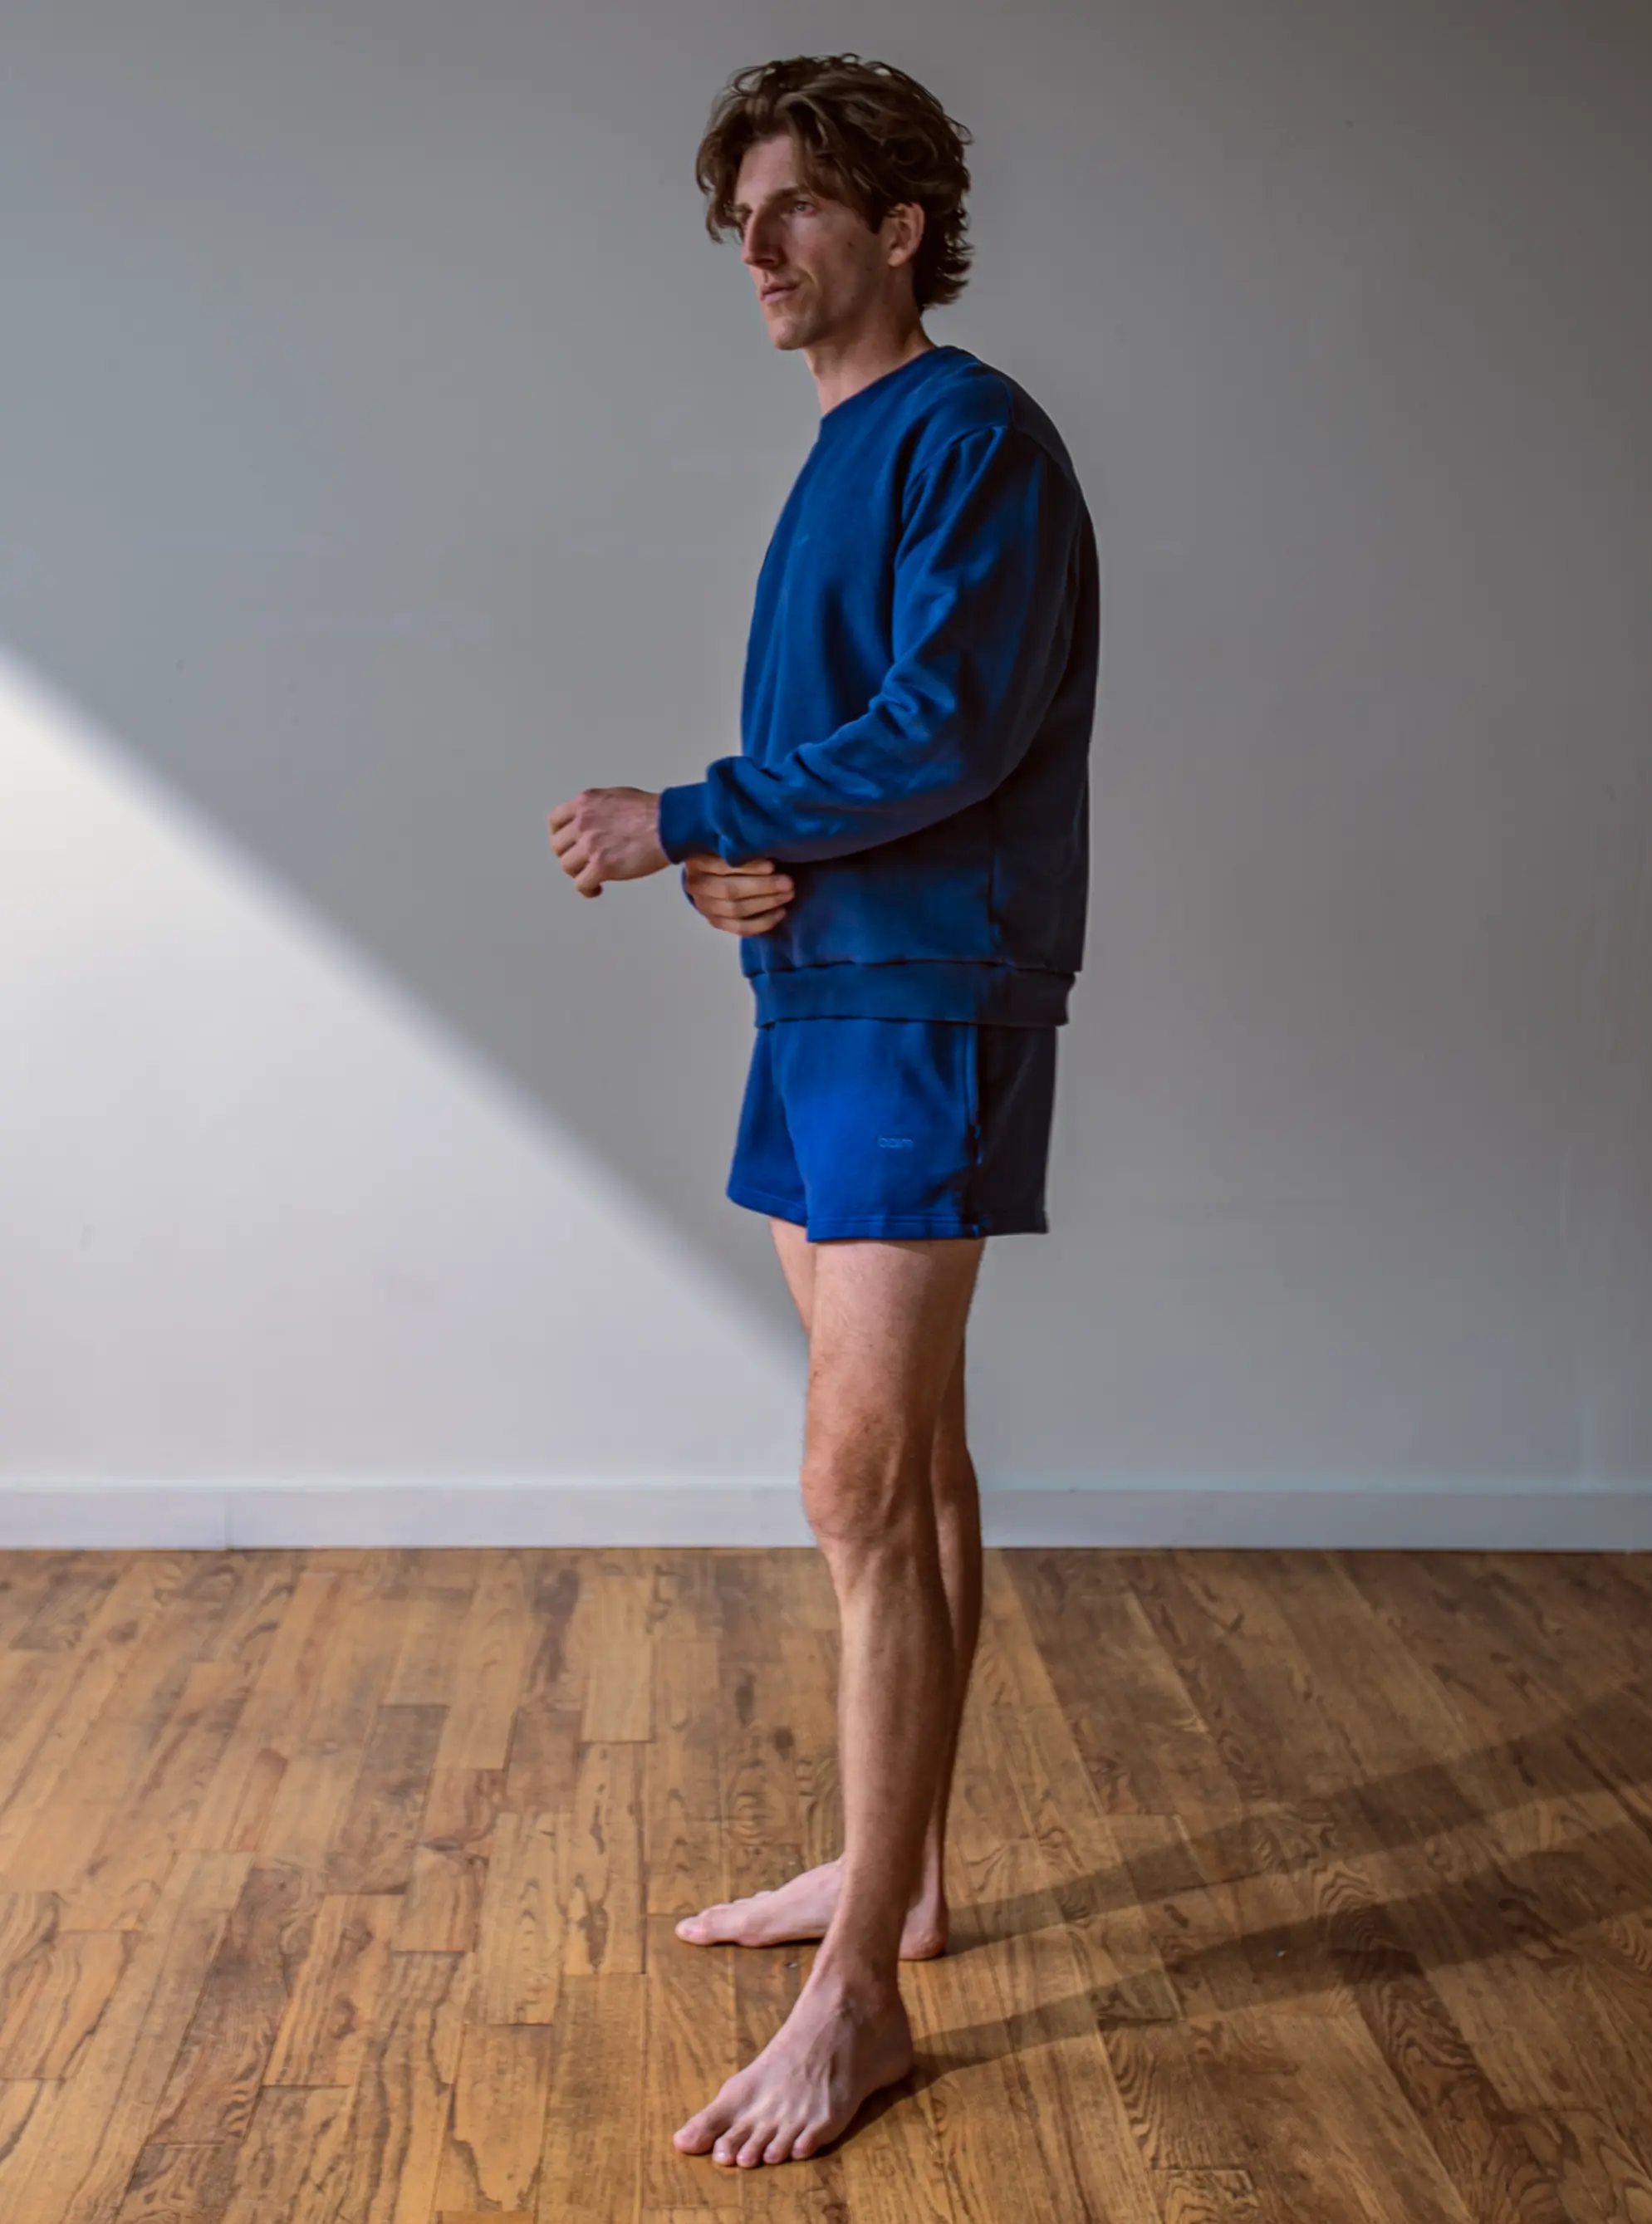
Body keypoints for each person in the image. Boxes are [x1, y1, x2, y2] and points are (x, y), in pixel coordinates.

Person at [548, 51, 1099, 2170]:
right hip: (821, 997)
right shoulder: (841, 448)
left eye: (794, 211)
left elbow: (948, 731)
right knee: (918, 1465)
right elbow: (852, 751)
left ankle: (855, 1990)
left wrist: (680, 806)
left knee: (852, 1487)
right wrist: (731, 865)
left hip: (920, 1010)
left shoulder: (974, 437)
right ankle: (909, 1879)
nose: (757, 251)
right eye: (742, 218)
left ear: (897, 227)